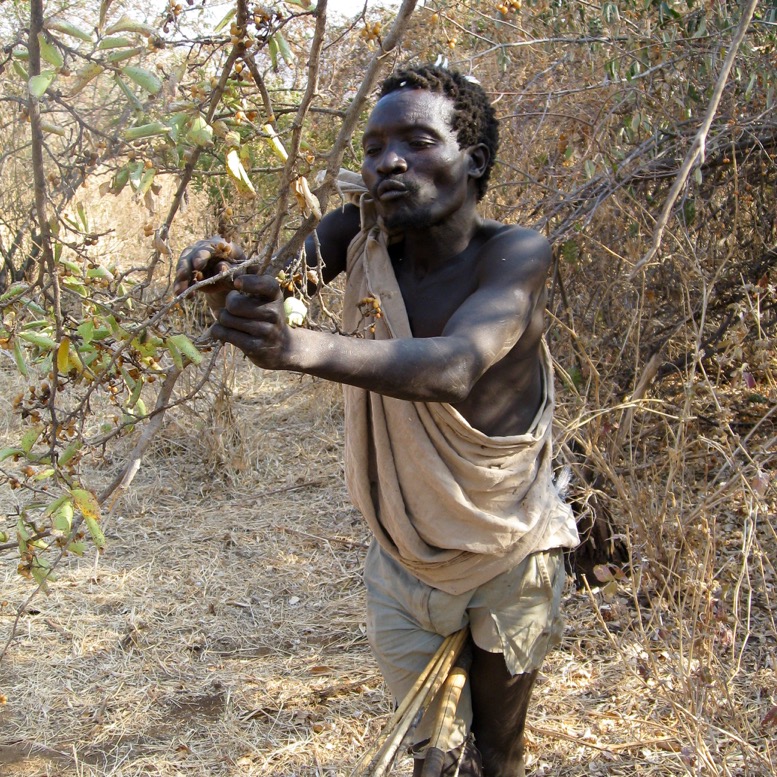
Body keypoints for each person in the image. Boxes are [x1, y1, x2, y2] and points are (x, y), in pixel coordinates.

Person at [174, 65, 578, 777]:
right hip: (403, 554)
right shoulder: (353, 239)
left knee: (498, 749)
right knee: (430, 760)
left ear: (472, 160)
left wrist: (295, 349)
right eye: (373, 146)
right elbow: (270, 295)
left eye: (417, 140)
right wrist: (221, 281)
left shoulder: (514, 253)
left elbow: (455, 364)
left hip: (508, 548)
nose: (388, 160)